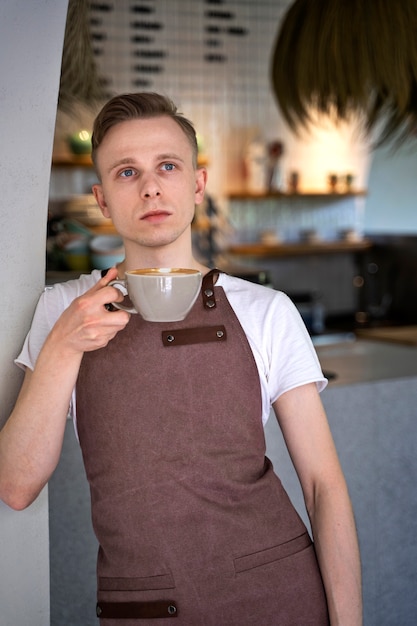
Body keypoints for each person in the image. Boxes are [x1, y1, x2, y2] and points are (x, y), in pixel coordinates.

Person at [0, 92, 362, 625]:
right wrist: (65, 342)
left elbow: (322, 487)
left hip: (280, 600)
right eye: (127, 172)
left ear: (197, 184)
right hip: (143, 611)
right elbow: (15, 485)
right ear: (101, 199)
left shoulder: (266, 311)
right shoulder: (64, 310)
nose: (150, 186)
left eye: (167, 166)